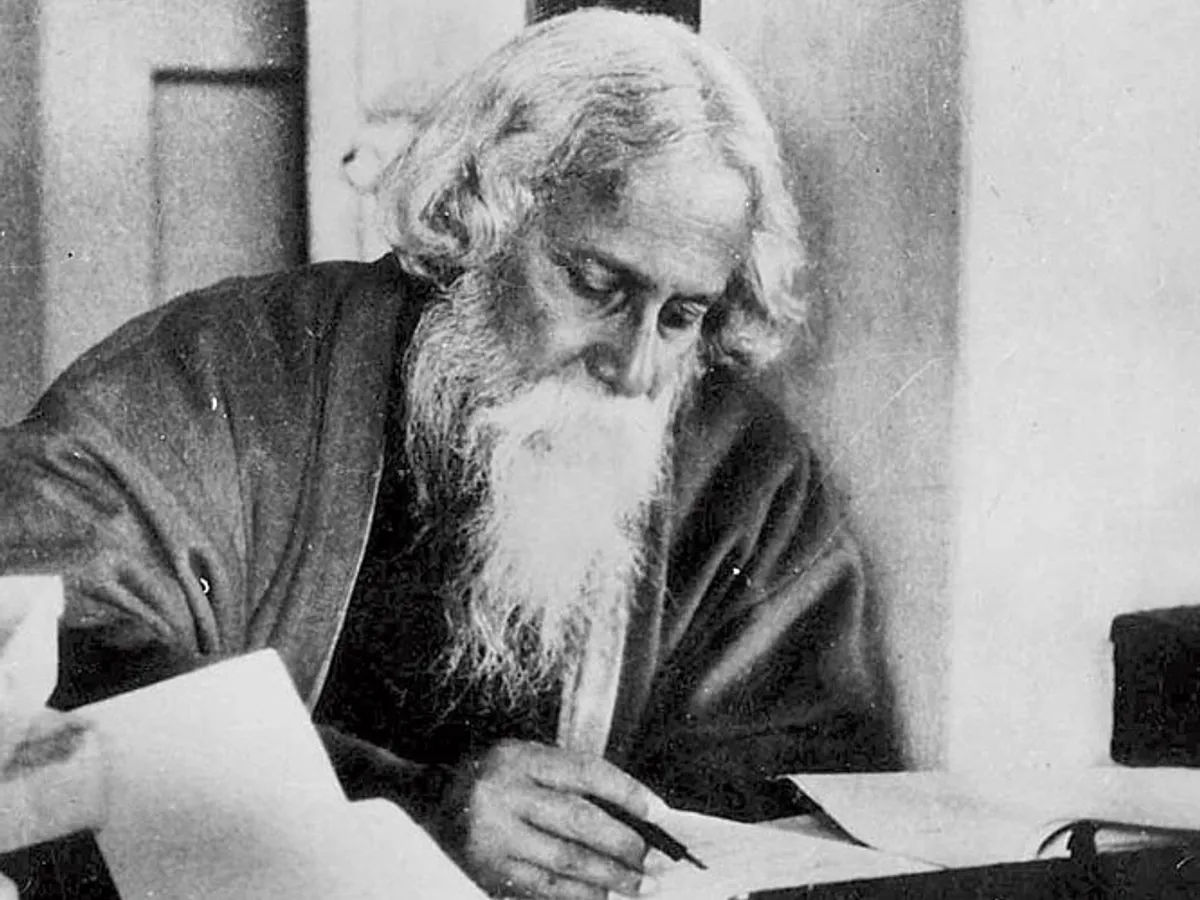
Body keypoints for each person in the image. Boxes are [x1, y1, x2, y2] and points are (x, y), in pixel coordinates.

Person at [0, 8, 894, 899]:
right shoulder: (219, 374)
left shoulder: (746, 478)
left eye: (682, 315)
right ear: (478, 216)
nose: (635, 368)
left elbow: (799, 796)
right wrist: (414, 811)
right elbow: (33, 676)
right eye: (596, 284)